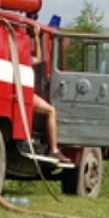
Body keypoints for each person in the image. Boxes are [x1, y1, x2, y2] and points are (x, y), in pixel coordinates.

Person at [30, 33, 71, 164]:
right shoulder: (23, 57)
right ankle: (53, 149)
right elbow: (38, 58)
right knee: (51, 110)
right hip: (26, 96)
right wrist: (36, 39)